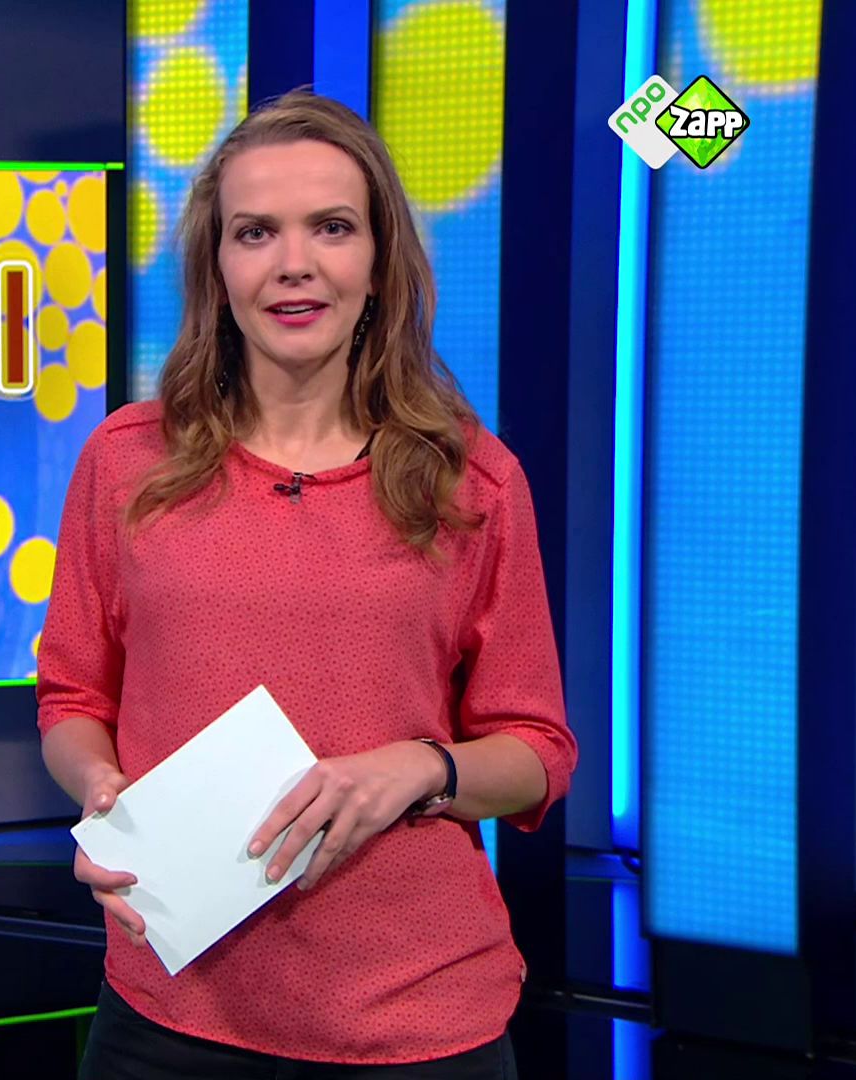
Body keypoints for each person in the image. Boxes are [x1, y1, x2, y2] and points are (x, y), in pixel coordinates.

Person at [36, 89, 578, 1079]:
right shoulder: (125, 461)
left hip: (418, 1022)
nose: (295, 263)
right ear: (217, 266)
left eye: (332, 227)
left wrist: (421, 768)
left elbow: (539, 751)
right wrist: (105, 798)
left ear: (379, 262)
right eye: (256, 232)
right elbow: (73, 698)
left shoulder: (474, 481)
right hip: (167, 1009)